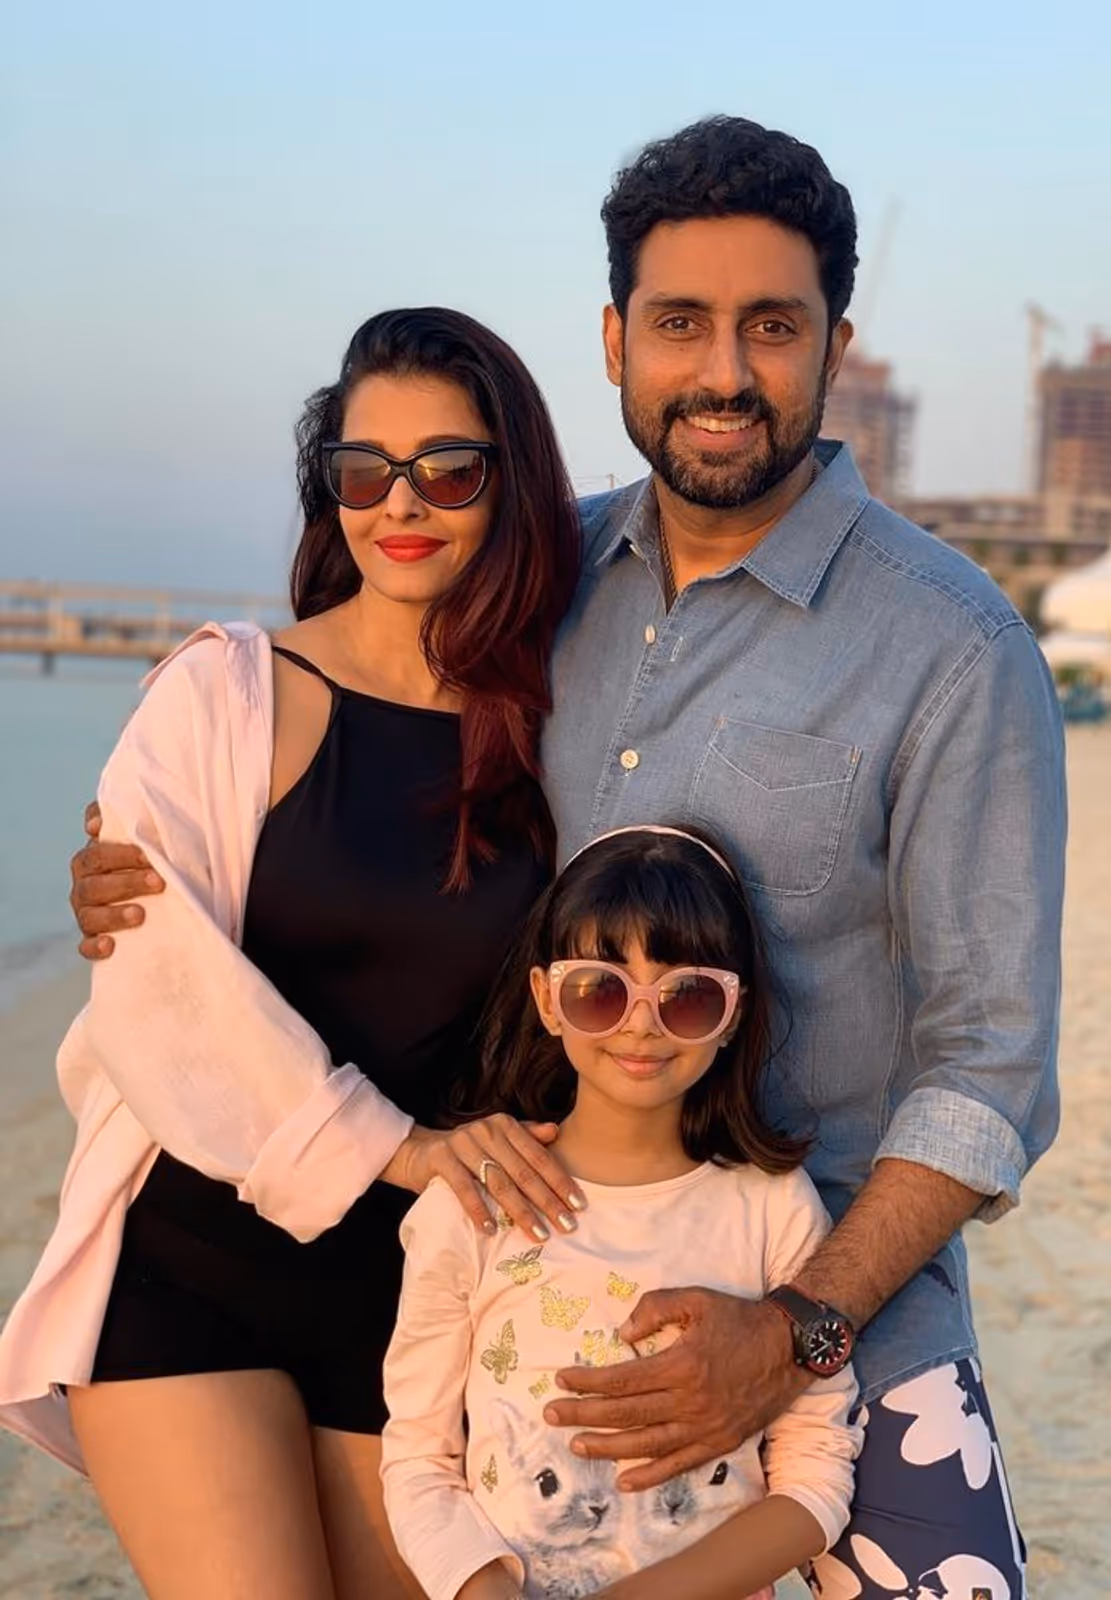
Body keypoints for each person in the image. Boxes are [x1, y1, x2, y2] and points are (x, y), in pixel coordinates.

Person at [62, 117, 1065, 1594]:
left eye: (771, 325)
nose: (723, 372)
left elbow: (990, 1070)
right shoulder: (543, 583)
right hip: (530, 1272)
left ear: (835, 346)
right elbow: (351, 732)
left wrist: (796, 1322)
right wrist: (147, 843)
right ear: (614, 342)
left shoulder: (954, 646)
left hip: (838, 1292)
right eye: (680, 323)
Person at [0, 307, 589, 1600]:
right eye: (362, 470)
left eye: (449, 469)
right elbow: (157, 989)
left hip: (417, 1303)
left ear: (512, 486)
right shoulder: (226, 695)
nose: (401, 503)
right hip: (188, 1269)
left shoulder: (557, 734)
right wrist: (404, 1147)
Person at [381, 825, 860, 1600]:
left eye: (687, 996)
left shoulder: (774, 1206)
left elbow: (817, 1472)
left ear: (732, 1014)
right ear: (548, 999)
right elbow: (419, 1460)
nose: (641, 1024)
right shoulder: (470, 1206)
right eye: (600, 990)